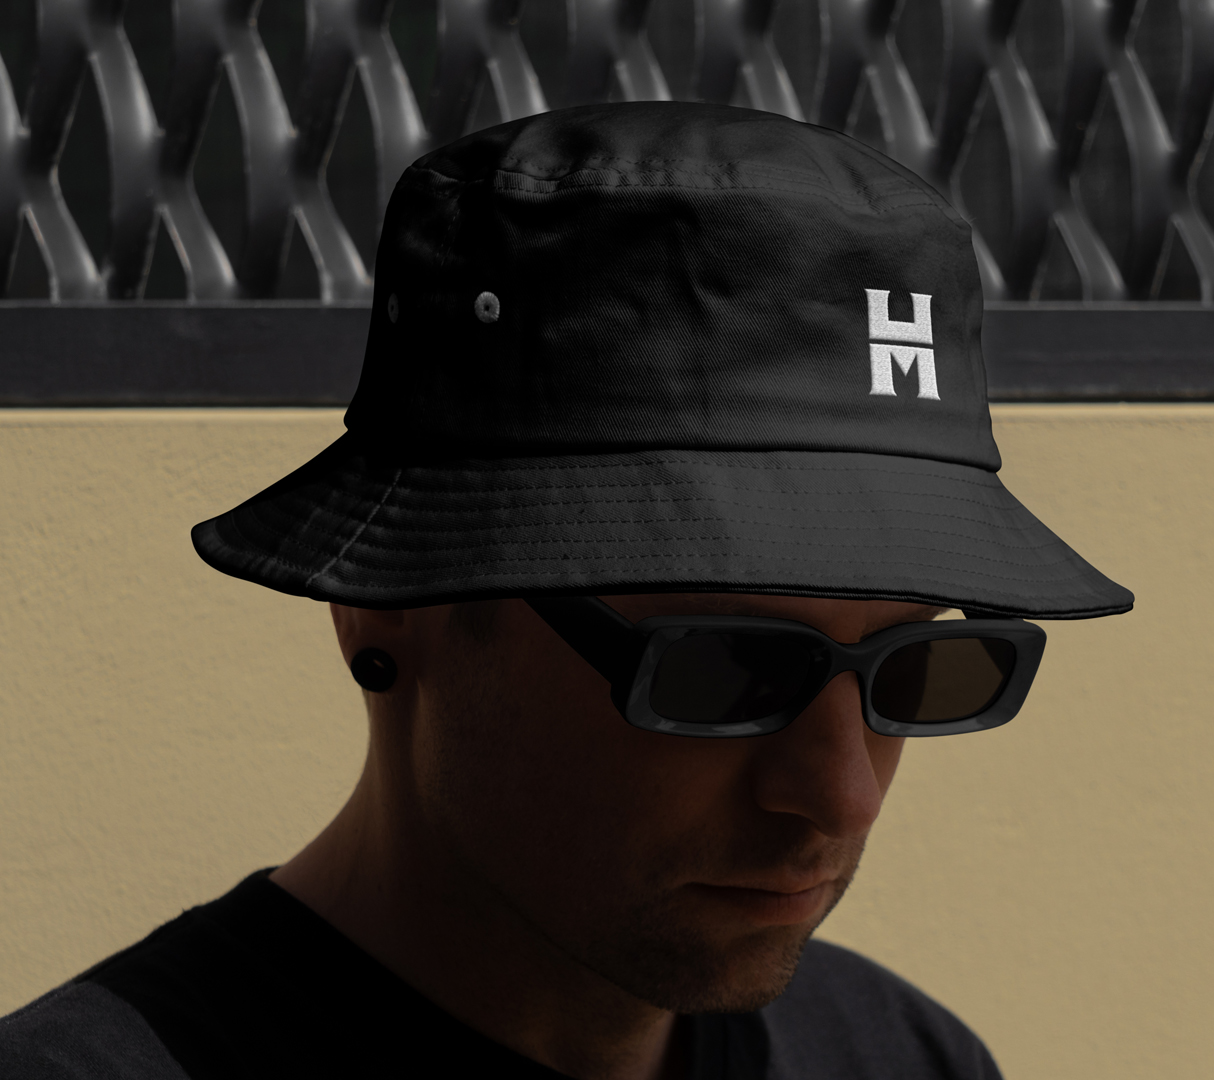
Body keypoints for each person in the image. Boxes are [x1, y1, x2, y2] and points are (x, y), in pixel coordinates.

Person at [0, 101, 1131, 1079]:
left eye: (916, 669)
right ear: (392, 606)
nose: (842, 796)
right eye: (727, 667)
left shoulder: (899, 1057)